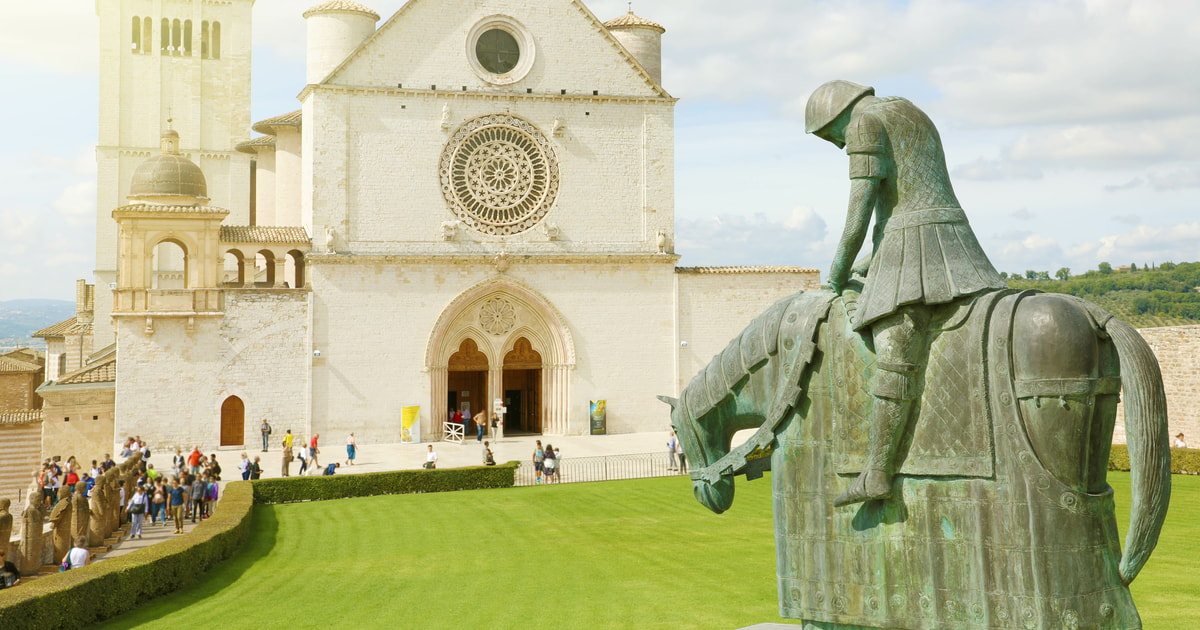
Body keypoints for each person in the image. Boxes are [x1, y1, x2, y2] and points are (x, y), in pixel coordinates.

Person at [806, 80, 1006, 507]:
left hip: (915, 245)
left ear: (838, 116)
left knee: (895, 351)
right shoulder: (908, 109)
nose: (840, 146)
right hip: (948, 238)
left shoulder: (864, 123)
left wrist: (837, 274)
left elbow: (859, 211)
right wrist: (867, 266)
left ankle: (876, 471)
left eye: (831, 137)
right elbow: (903, 202)